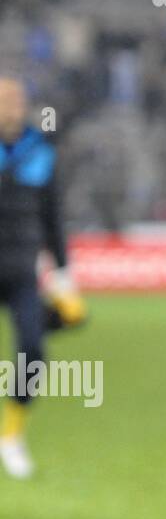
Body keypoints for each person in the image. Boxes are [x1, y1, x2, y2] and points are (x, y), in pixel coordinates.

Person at [0, 75, 84, 479]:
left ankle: (12, 436)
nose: (9, 107)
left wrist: (64, 274)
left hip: (21, 271)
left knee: (32, 350)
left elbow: (53, 219)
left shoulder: (41, 152)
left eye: (14, 99)